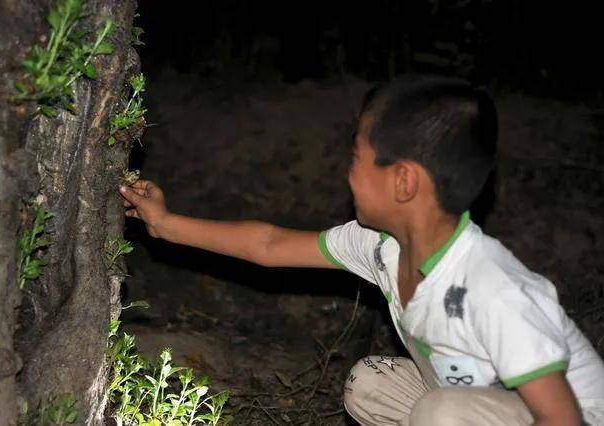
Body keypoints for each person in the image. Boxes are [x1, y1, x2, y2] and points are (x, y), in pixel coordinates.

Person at [119, 74, 604, 425]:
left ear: (403, 181)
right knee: (371, 385)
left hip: (567, 415)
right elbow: (270, 244)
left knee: (442, 414)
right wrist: (166, 225)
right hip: (477, 404)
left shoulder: (492, 289)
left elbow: (563, 418)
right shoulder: (381, 246)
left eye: (356, 157)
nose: (348, 173)